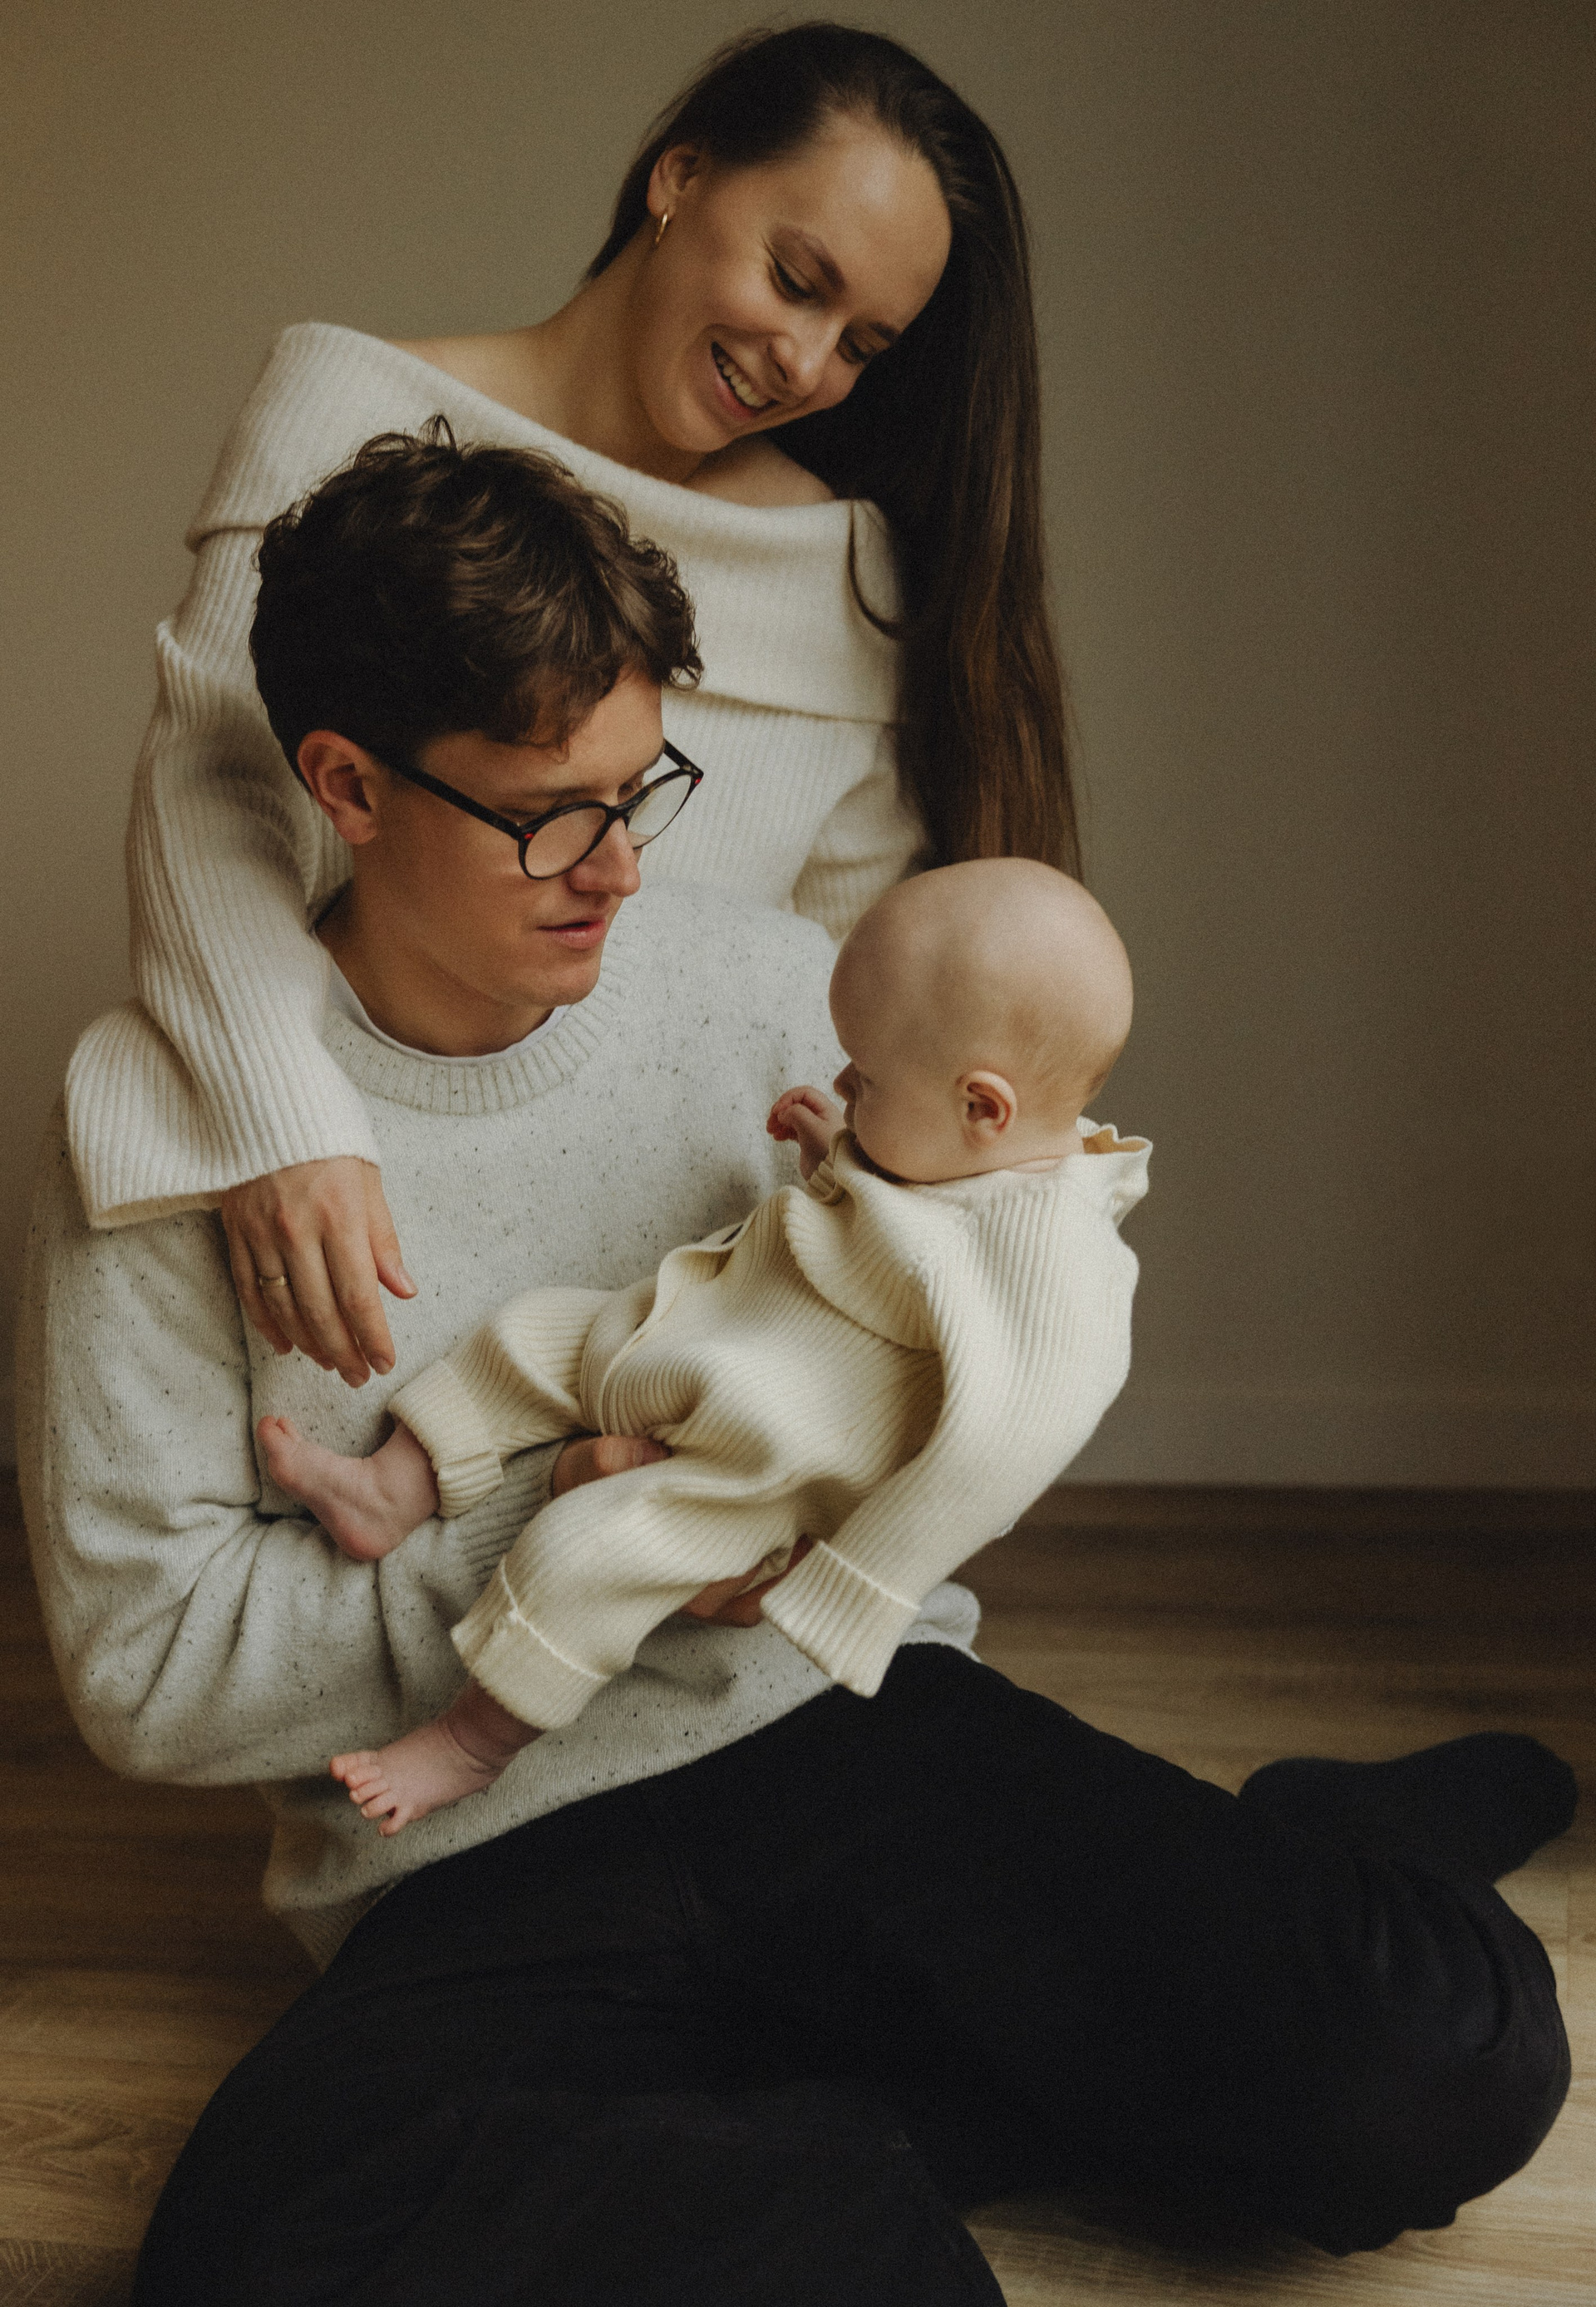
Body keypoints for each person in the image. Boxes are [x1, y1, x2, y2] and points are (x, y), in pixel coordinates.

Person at [18, 409, 1576, 2305]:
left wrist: (824, 1491)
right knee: (247, 2261)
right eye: (549, 812)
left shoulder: (773, 987)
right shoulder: (167, 1129)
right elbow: (146, 1671)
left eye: (640, 787)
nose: (615, 869)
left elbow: (956, 1345)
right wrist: (543, 1535)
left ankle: (1297, 1854)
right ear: (346, 784)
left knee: (1439, 2066)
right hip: (480, 1859)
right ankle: (875, 2111)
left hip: (839, 1734)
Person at [66, 23, 1074, 1401]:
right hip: (352, 1228)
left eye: (863, 343)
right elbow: (214, 790)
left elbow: (853, 987)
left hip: (657, 1313)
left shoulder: (844, 573)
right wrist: (281, 1121)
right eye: (797, 280)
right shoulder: (351, 405)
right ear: (679, 176)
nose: (805, 361)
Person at [259, 858, 1148, 1832]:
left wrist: (864, 1581)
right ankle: (391, 1489)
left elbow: (1015, 1438)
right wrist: (838, 1149)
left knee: (584, 1554)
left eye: (866, 1079)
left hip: (753, 1467)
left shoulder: (1060, 1258)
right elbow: (903, 1233)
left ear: (984, 1108)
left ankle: (472, 1743)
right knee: (531, 1337)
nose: (841, 1081)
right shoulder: (961, 1145)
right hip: (695, 1328)